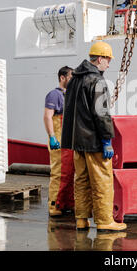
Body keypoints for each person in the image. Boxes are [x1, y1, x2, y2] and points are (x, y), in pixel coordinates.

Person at [61, 41, 127, 232]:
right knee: (102, 181)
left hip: (76, 142)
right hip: (93, 142)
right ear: (99, 59)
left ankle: (81, 219)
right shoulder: (97, 81)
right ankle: (105, 220)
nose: (109, 64)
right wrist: (107, 139)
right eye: (108, 60)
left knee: (81, 180)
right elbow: (102, 113)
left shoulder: (74, 79)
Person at [44, 66, 74, 217]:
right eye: (70, 77)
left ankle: (67, 203)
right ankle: (54, 204)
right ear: (62, 78)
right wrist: (52, 136)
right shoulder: (54, 95)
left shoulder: (70, 95)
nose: (73, 79)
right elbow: (47, 116)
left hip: (70, 142)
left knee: (70, 173)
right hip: (59, 140)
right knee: (58, 173)